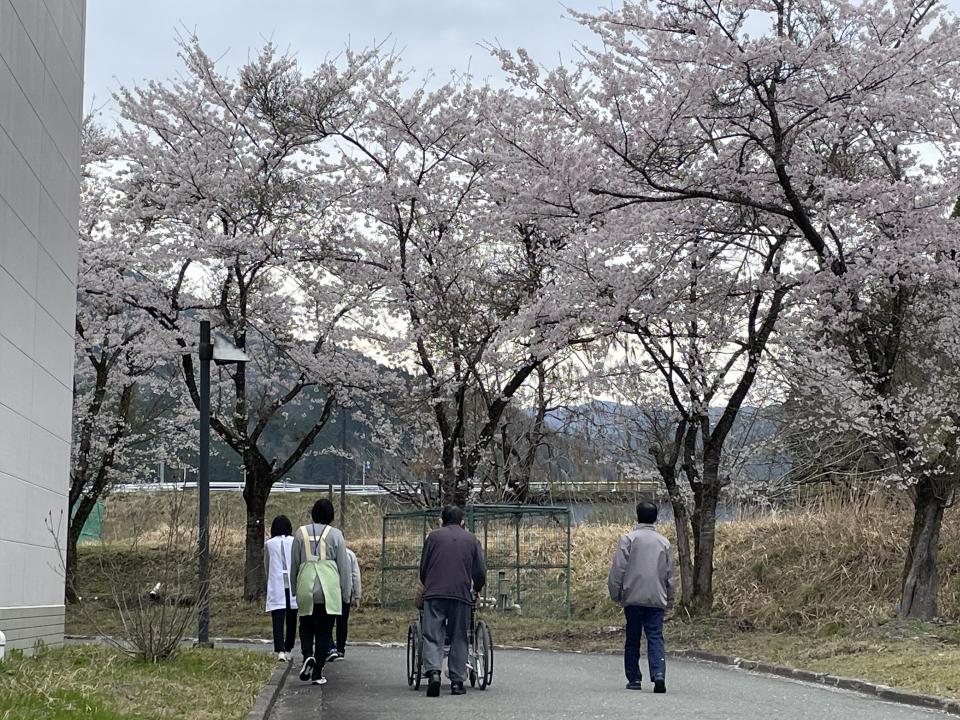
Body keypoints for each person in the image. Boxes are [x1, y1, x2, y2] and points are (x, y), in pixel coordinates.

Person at [607, 501, 675, 694]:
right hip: (656, 597)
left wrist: (616, 593)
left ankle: (634, 678)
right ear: (655, 518)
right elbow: (669, 574)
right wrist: (669, 599)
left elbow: (618, 569)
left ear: (638, 516)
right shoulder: (664, 542)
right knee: (655, 636)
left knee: (633, 638)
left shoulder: (629, 539)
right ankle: (658, 673)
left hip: (633, 596)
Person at [419, 505, 486, 698]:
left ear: (442, 520)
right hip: (460, 594)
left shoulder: (432, 538)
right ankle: (457, 681)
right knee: (459, 636)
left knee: (432, 634)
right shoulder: (472, 540)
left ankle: (434, 673)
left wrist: (428, 584)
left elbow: (423, 569)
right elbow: (479, 572)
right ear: (462, 521)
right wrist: (477, 589)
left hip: (434, 593)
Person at [290, 499, 351, 686]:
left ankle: (307, 655)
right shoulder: (336, 535)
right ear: (331, 516)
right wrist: (346, 593)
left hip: (305, 584)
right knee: (324, 631)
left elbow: (294, 563)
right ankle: (317, 672)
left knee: (306, 624)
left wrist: (294, 588)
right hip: (328, 588)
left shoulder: (300, 533)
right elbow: (344, 566)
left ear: (313, 513)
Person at [264, 515, 298, 662]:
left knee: (277, 618)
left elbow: (267, 564)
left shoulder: (269, 544)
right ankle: (289, 648)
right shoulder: (294, 541)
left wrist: (268, 580)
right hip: (292, 583)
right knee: (292, 617)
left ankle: (280, 650)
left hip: (277, 583)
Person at [328, 546, 361, 661]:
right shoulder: (350, 554)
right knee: (342, 622)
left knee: (327, 621)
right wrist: (357, 595)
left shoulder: (327, 554)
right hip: (345, 591)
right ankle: (340, 649)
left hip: (330, 592)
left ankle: (330, 647)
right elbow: (356, 575)